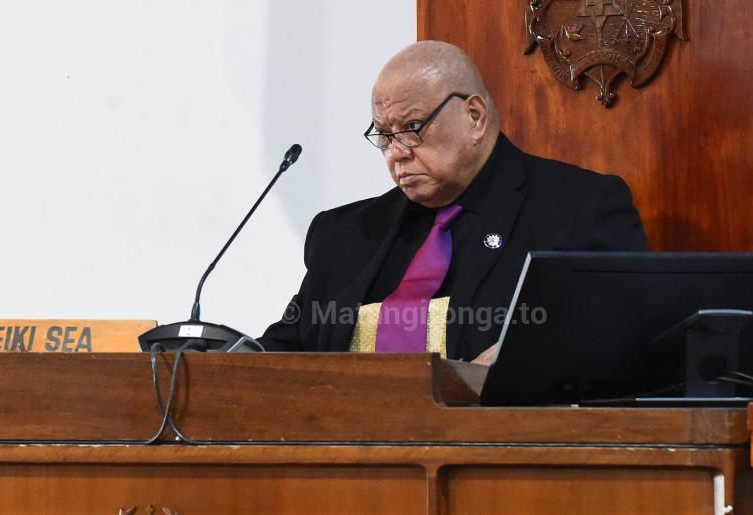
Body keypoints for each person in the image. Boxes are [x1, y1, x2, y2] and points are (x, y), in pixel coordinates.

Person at [259, 41, 647, 363]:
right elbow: (282, 354)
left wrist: (517, 363)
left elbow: (622, 340)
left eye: (411, 128)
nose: (395, 153)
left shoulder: (578, 210)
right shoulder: (344, 235)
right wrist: (207, 357)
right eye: (383, 135)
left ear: (474, 116)